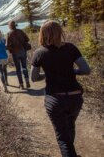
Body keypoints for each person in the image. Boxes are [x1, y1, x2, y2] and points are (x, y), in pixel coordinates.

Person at [31, 21, 90, 157]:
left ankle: (70, 153)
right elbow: (86, 70)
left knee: (63, 138)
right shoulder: (71, 48)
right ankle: (71, 152)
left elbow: (33, 78)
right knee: (70, 127)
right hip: (75, 98)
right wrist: (71, 71)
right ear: (60, 32)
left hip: (55, 100)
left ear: (43, 34)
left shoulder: (40, 52)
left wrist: (49, 73)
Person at [6, 21, 30, 89]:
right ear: (15, 25)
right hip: (23, 51)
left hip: (15, 53)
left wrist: (11, 48)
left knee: (18, 69)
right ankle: (27, 82)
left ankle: (21, 84)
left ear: (10, 26)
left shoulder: (9, 34)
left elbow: (7, 45)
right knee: (24, 67)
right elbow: (27, 39)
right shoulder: (21, 31)